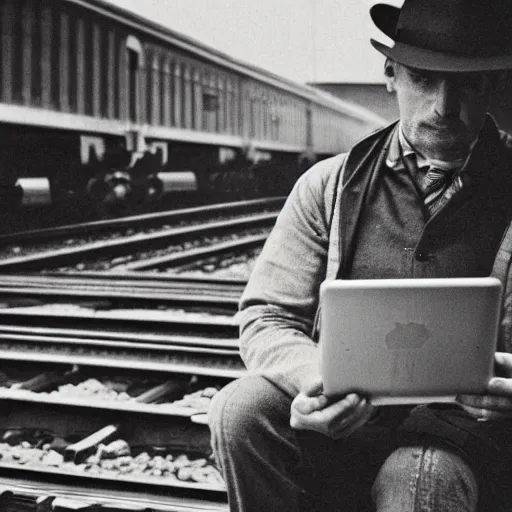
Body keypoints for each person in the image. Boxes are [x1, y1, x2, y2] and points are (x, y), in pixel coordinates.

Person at [209, 1, 512, 510]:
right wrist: (315, 380)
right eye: (423, 79)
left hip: (474, 435)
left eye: (467, 84)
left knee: (418, 474)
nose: (443, 105)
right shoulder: (327, 186)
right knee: (239, 411)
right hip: (347, 417)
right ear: (390, 74)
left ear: (495, 85)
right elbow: (267, 315)